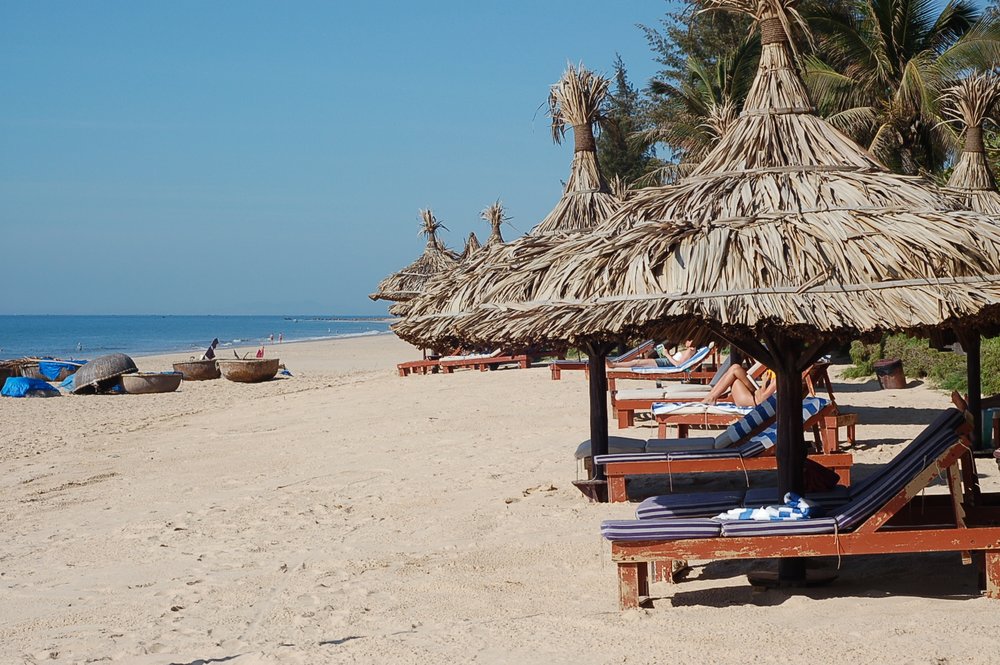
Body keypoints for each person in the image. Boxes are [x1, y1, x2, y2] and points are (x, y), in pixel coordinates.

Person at [701, 363, 776, 407]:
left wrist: (763, 383)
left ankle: (711, 398)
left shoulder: (778, 377)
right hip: (754, 394)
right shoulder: (775, 368)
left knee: (735, 369)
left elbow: (762, 400)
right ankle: (710, 397)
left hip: (753, 401)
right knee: (734, 367)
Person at [608, 340, 699, 368]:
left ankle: (614, 364)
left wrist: (667, 355)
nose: (686, 341)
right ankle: (614, 364)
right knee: (638, 362)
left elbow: (678, 364)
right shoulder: (688, 349)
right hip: (666, 361)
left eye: (689, 340)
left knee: (638, 363)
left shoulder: (690, 350)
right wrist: (666, 354)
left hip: (666, 363)